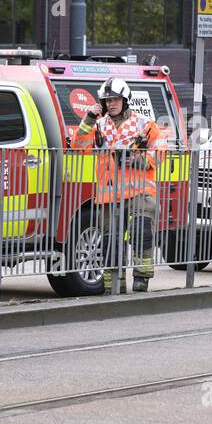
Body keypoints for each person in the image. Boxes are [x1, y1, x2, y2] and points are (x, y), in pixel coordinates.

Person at [68, 77, 166, 293]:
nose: (110, 103)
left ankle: (141, 278)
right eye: (107, 100)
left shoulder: (143, 123)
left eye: (115, 99)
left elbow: (160, 149)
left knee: (142, 232)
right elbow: (78, 145)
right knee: (110, 241)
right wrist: (90, 117)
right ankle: (114, 286)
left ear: (125, 100)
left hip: (141, 191)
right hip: (109, 194)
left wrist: (140, 160)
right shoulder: (99, 125)